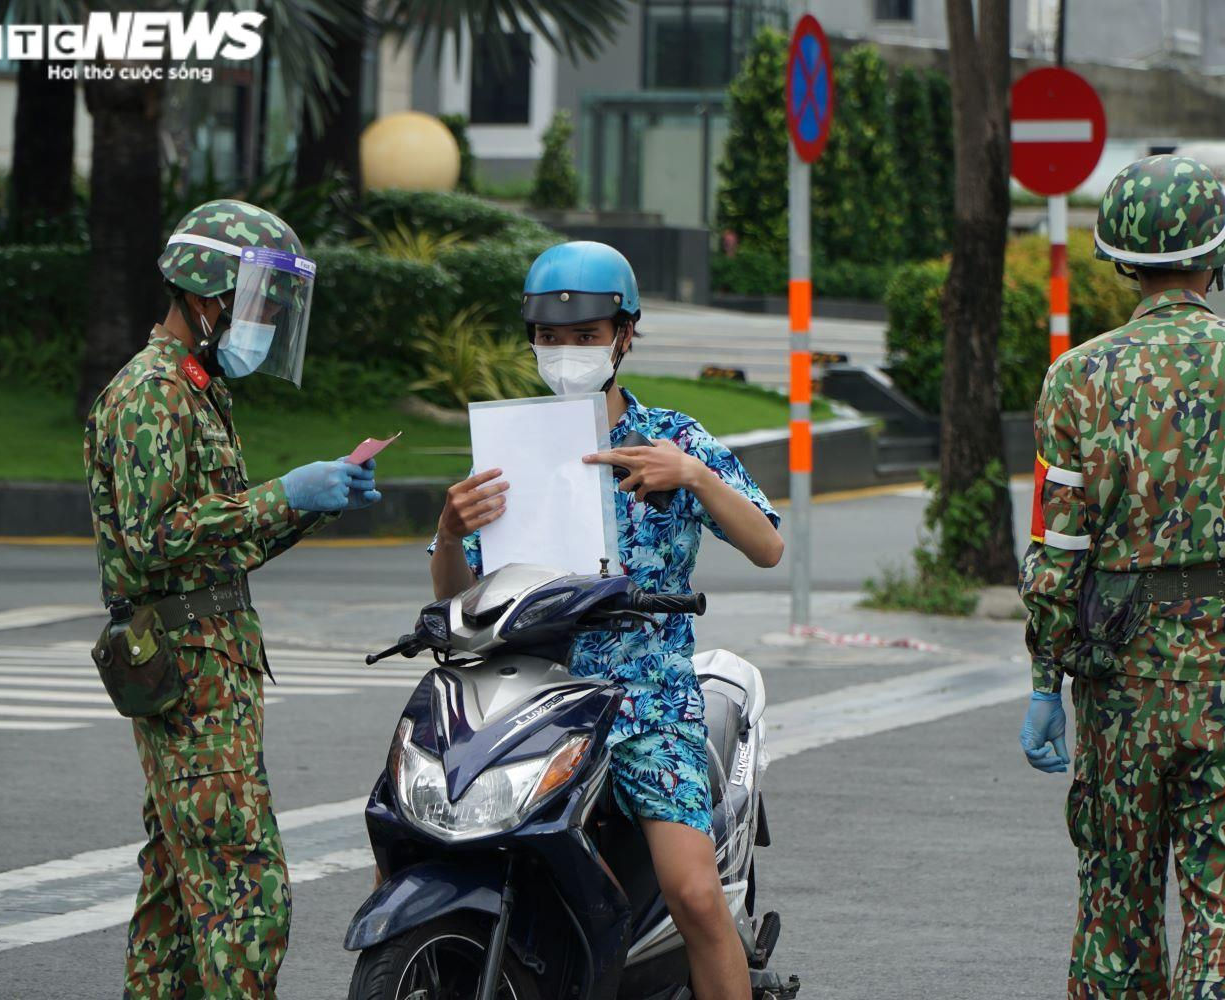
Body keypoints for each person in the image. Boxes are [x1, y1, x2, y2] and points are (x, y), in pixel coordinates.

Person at [430, 241, 784, 1000]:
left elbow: (767, 544)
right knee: (427, 838)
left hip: (646, 700)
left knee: (694, 893)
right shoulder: (507, 448)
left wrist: (691, 477)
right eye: (551, 338)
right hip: (524, 693)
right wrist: (452, 528)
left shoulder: (675, 438)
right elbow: (454, 598)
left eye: (586, 336)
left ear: (625, 336)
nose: (566, 353)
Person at [1017, 156, 1225, 999]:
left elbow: (1058, 554)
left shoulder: (1077, 378)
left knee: (1116, 901)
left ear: (1122, 260)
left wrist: (1046, 678)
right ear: (1219, 251)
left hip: (1120, 688)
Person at [84, 199, 381, 998]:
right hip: (187, 676)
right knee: (249, 897)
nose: (264, 323)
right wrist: (283, 492)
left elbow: (221, 546)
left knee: (176, 907)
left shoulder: (194, 389)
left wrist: (312, 499)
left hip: (208, 669)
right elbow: (155, 540)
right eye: (257, 304)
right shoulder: (153, 394)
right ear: (206, 296)